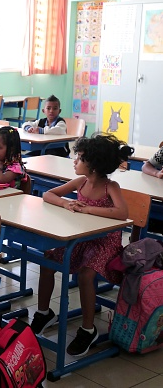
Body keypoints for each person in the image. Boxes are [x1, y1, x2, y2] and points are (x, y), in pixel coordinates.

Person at [31, 134, 134, 357]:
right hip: (80, 239)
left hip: (104, 243)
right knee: (47, 260)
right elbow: (49, 194)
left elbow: (122, 213)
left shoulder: (110, 186)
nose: (75, 161)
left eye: (79, 157)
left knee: (86, 275)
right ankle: (44, 312)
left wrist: (87, 209)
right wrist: (66, 203)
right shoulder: (81, 182)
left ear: (94, 165)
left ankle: (88, 329)